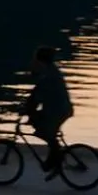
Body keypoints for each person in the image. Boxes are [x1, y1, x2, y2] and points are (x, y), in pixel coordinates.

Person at [23, 46, 73, 178]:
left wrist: (29, 109)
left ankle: (56, 160)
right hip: (57, 109)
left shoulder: (48, 76)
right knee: (42, 128)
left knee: (44, 131)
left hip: (58, 111)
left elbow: (38, 95)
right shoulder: (49, 71)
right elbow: (37, 92)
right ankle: (54, 157)